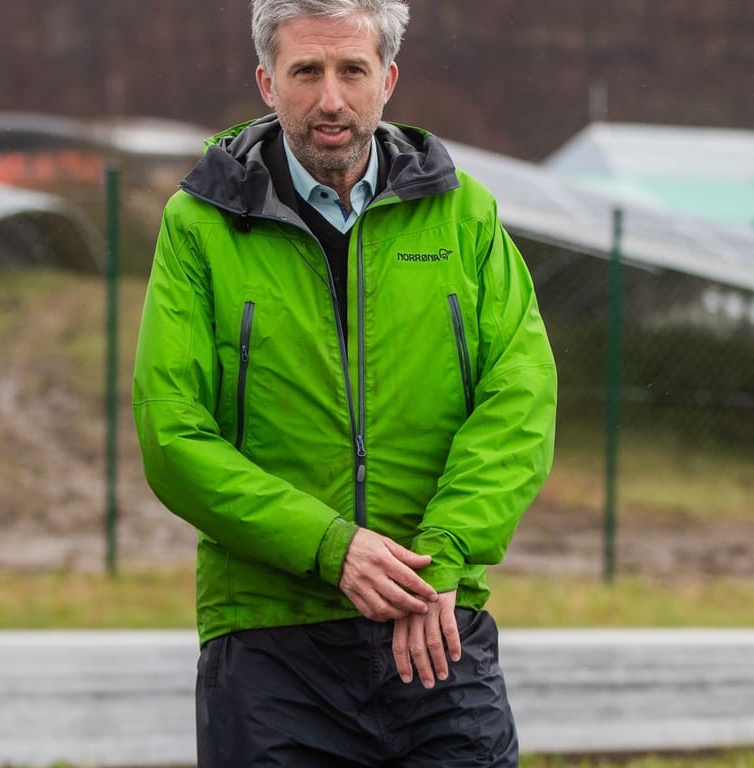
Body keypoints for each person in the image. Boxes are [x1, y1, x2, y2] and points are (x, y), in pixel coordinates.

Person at [132, 0, 557, 765]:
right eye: (307, 71)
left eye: (351, 70)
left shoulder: (465, 217)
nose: (331, 98)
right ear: (267, 81)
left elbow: (520, 398)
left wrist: (446, 553)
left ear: (387, 78)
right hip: (269, 648)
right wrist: (334, 549)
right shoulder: (198, 225)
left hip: (436, 626)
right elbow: (172, 432)